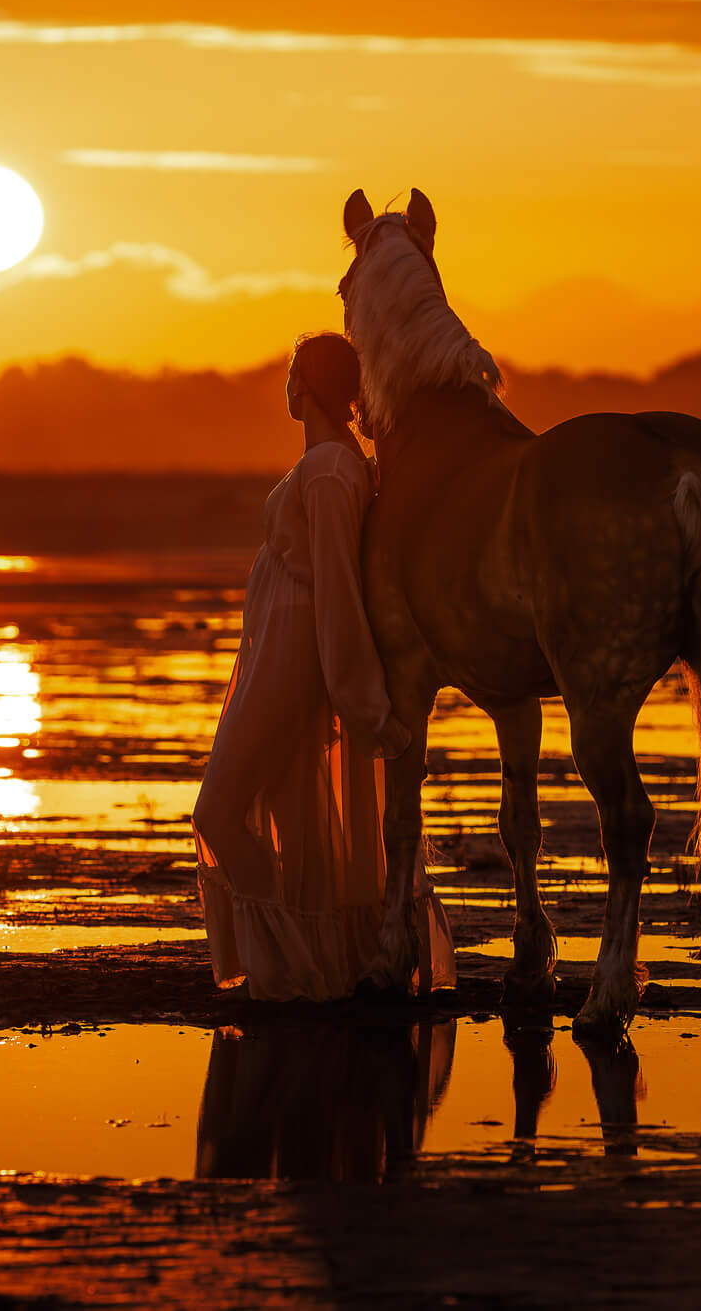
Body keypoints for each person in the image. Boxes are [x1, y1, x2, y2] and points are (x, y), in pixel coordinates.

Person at [192, 332, 455, 1001]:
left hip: (293, 661)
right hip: (275, 656)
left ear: (303, 384)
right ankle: (303, 968)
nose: (283, 386)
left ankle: (287, 964)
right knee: (291, 814)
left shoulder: (335, 470)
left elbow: (339, 587)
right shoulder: (326, 463)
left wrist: (357, 696)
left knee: (219, 810)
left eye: (288, 374)